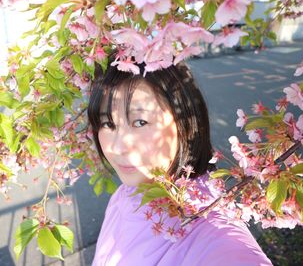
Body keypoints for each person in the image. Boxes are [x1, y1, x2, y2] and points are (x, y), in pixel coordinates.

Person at [87, 56, 273, 266]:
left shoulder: (216, 238)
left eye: (140, 122)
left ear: (185, 121)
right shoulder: (124, 194)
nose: (118, 147)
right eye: (107, 123)